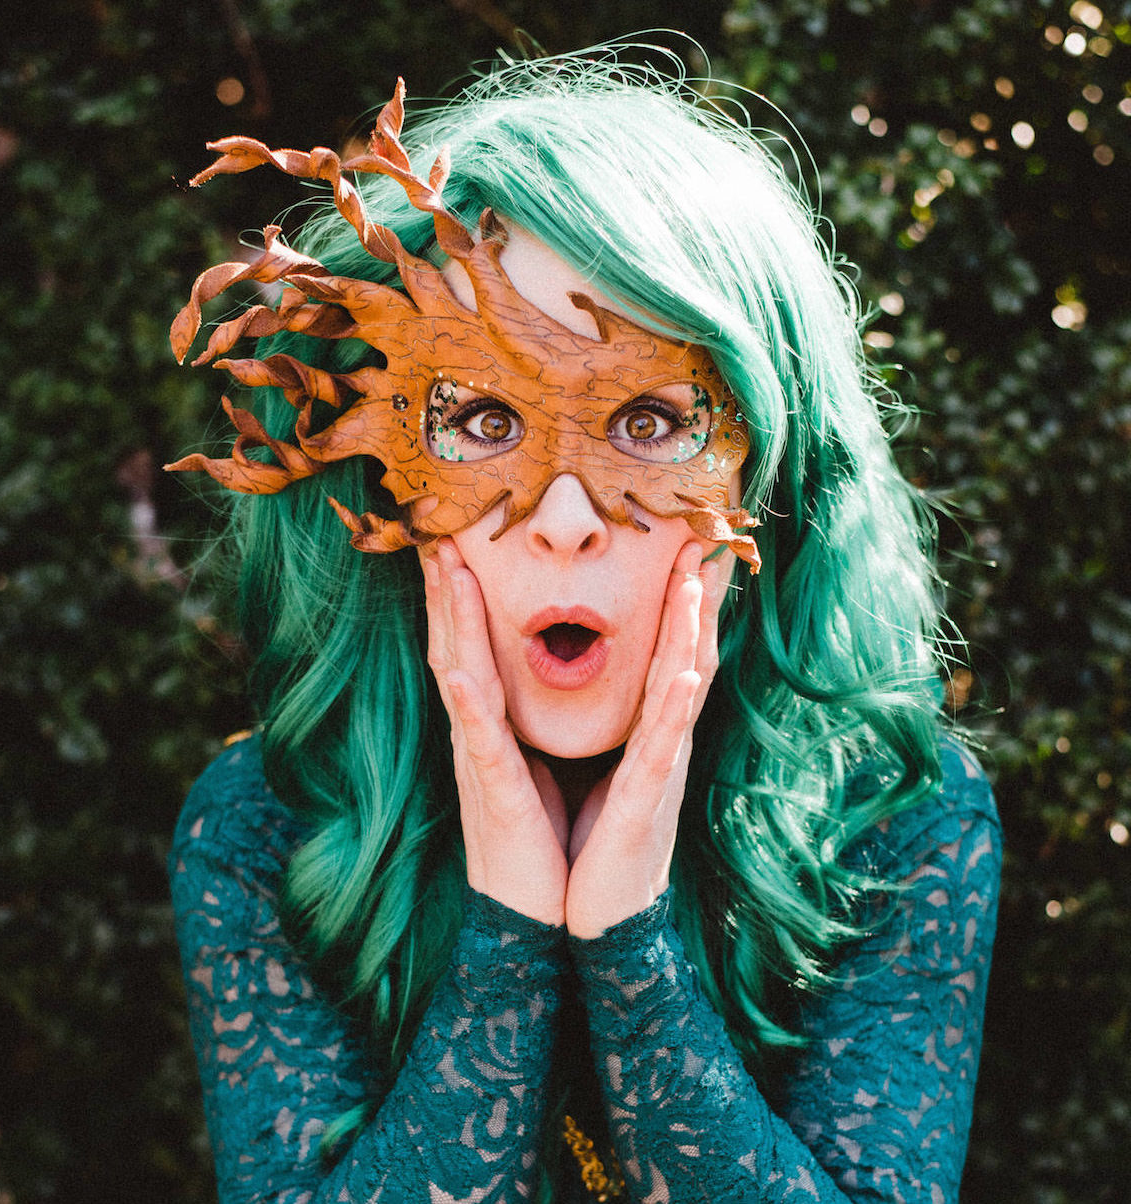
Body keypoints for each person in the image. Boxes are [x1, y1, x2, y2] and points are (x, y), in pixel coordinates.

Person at [167, 46, 1001, 1204]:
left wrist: (628, 943)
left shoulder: (898, 819)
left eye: (652, 419)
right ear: (386, 478)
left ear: (774, 471)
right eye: (481, 419)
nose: (564, 522)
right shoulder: (270, 827)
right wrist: (508, 924)